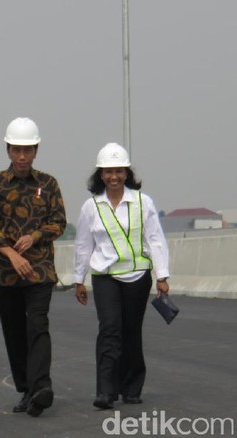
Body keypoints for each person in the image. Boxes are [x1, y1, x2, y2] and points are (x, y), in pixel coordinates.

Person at [73, 142, 170, 410]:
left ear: (126, 173)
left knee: (131, 331)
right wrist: (78, 279)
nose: (113, 177)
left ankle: (132, 386)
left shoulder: (142, 202)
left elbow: (155, 239)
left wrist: (162, 275)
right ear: (100, 175)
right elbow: (83, 245)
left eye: (118, 171)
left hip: (138, 277)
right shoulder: (90, 207)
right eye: (107, 171)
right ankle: (106, 390)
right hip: (105, 277)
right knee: (110, 329)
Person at [0, 117, 66, 417]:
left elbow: (59, 222)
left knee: (37, 326)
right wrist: (11, 254)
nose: (22, 156)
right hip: (5, 273)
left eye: (27, 150)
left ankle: (41, 386)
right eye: (16, 150)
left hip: (40, 269)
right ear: (7, 150)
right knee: (14, 332)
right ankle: (26, 390)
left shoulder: (48, 184)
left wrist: (36, 236)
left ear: (36, 150)